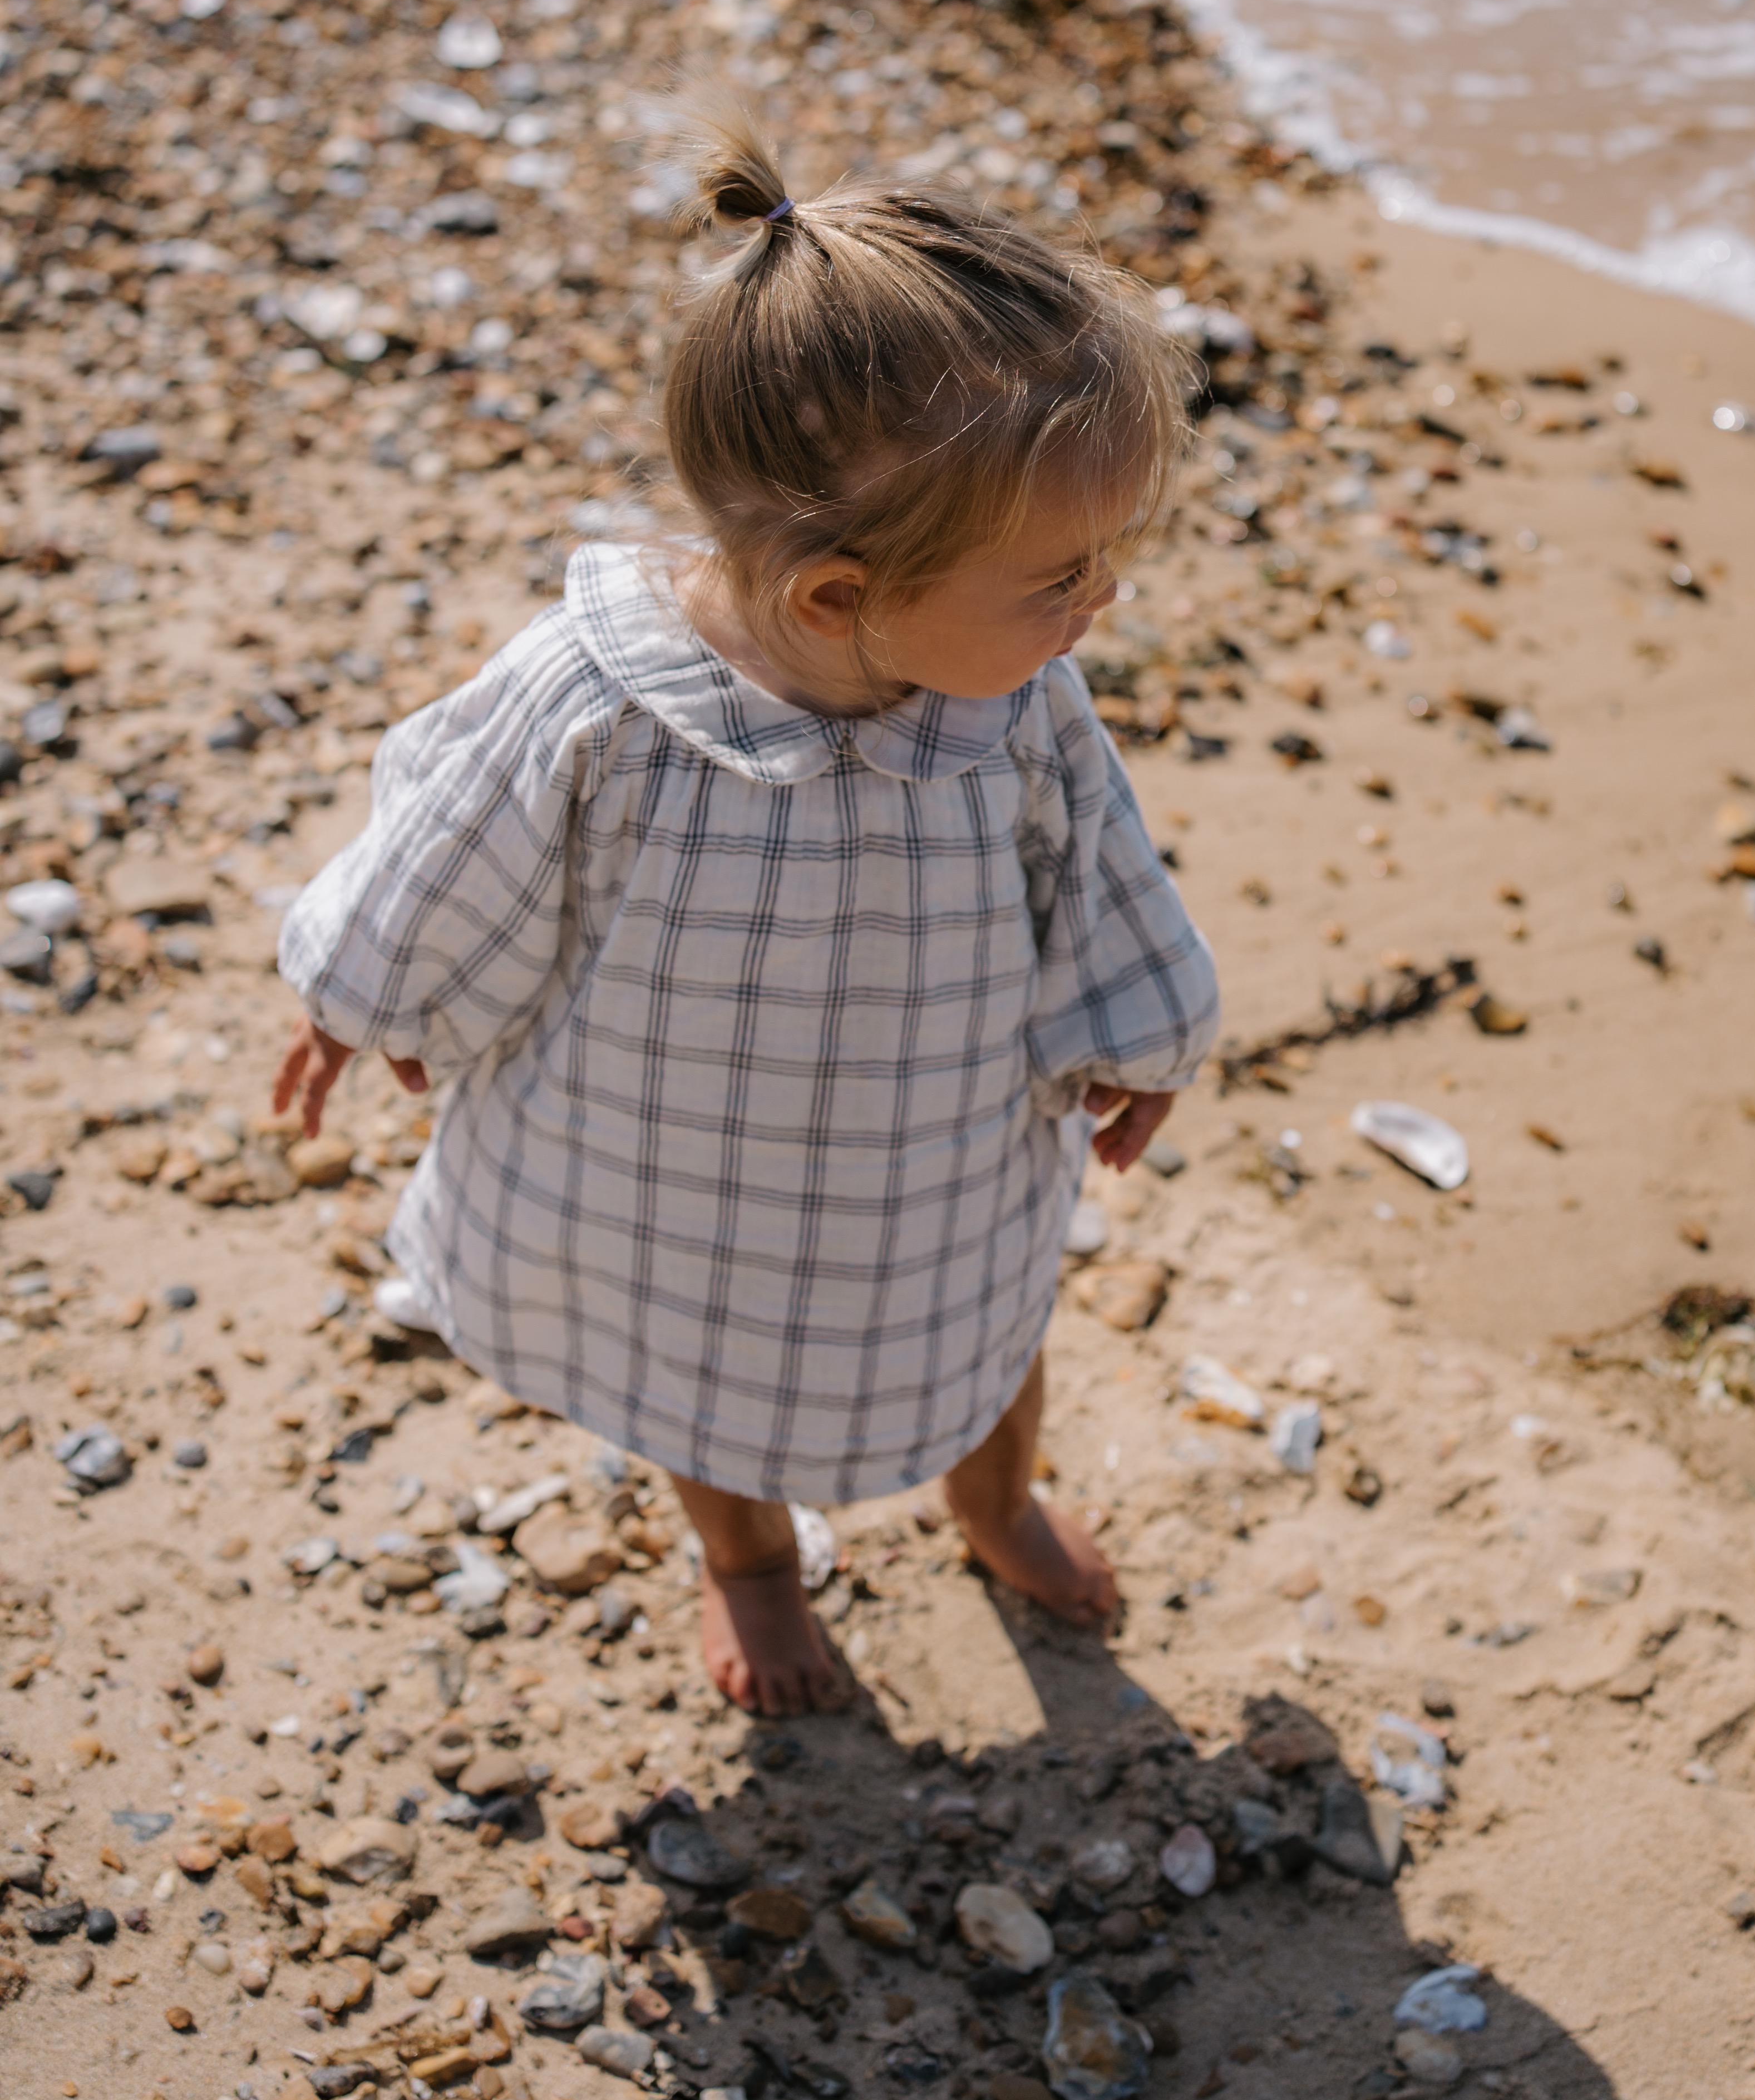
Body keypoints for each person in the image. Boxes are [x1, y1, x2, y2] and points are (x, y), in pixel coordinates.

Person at [272, 96, 1219, 1716]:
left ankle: (990, 1503)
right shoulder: (598, 699)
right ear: (840, 597)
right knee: (693, 1373)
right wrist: (369, 994)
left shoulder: (1015, 694)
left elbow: (1097, 861)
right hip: (663, 1160)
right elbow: (447, 842)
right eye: (1061, 576)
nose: (1099, 602)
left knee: (990, 1316)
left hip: (938, 1141)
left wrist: (1143, 1025)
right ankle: (753, 1564)